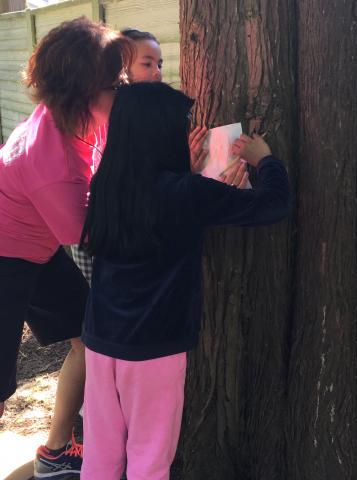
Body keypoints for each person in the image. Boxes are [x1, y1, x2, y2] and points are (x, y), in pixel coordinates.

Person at [79, 82, 290, 480]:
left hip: (101, 339)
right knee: (150, 458)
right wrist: (265, 162)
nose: (188, 130)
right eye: (184, 124)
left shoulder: (107, 184)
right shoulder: (187, 193)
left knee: (101, 456)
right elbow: (274, 204)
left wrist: (186, 175)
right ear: (160, 132)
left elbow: (154, 202)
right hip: (153, 348)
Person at [0, 17, 132, 479]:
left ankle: (56, 452)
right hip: (6, 257)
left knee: (87, 337)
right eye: (116, 82)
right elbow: (96, 239)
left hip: (37, 242)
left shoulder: (74, 117)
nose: (126, 88)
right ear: (83, 90)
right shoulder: (52, 162)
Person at [71, 27, 248, 283]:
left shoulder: (157, 112)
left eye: (160, 64)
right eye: (147, 63)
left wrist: (184, 168)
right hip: (107, 232)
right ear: (118, 68)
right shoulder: (109, 117)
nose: (158, 72)